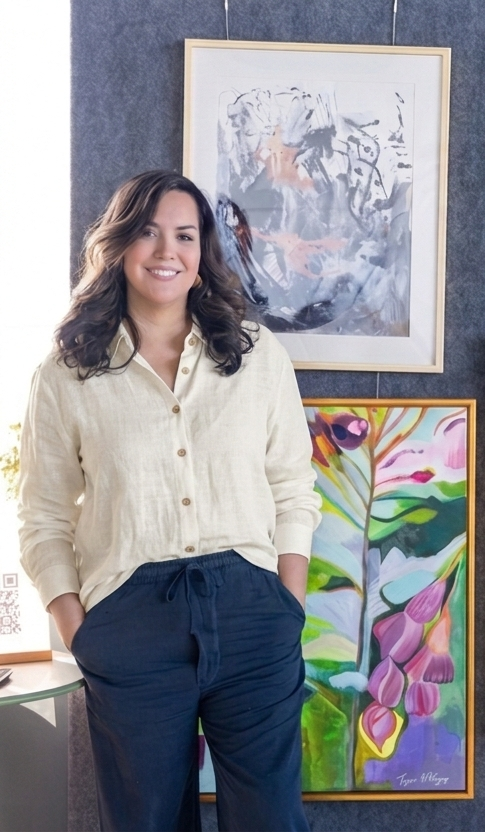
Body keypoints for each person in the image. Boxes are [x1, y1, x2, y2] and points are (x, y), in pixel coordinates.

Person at [18, 170, 321, 832]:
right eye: (148, 233)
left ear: (202, 252)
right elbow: (41, 517)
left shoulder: (255, 354)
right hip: (130, 621)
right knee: (145, 822)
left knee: (270, 821)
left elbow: (293, 486)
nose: (166, 252)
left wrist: (286, 605)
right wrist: (83, 632)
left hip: (252, 613)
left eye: (184, 235)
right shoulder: (67, 373)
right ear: (121, 246)